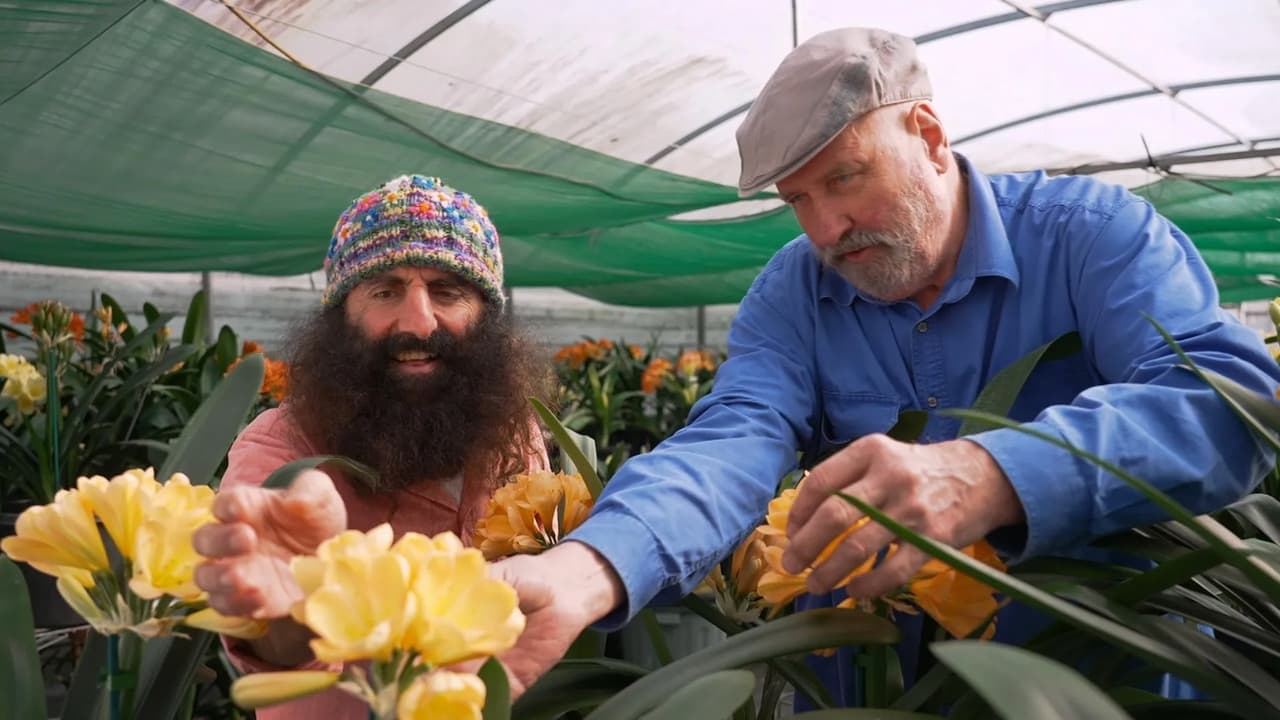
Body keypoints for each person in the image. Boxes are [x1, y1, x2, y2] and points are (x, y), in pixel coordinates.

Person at [192, 174, 551, 719]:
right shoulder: (282, 446)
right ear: (343, 314)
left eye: (447, 291)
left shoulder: (514, 431)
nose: (418, 320)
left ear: (485, 316)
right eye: (385, 290)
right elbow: (271, 643)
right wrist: (284, 603)